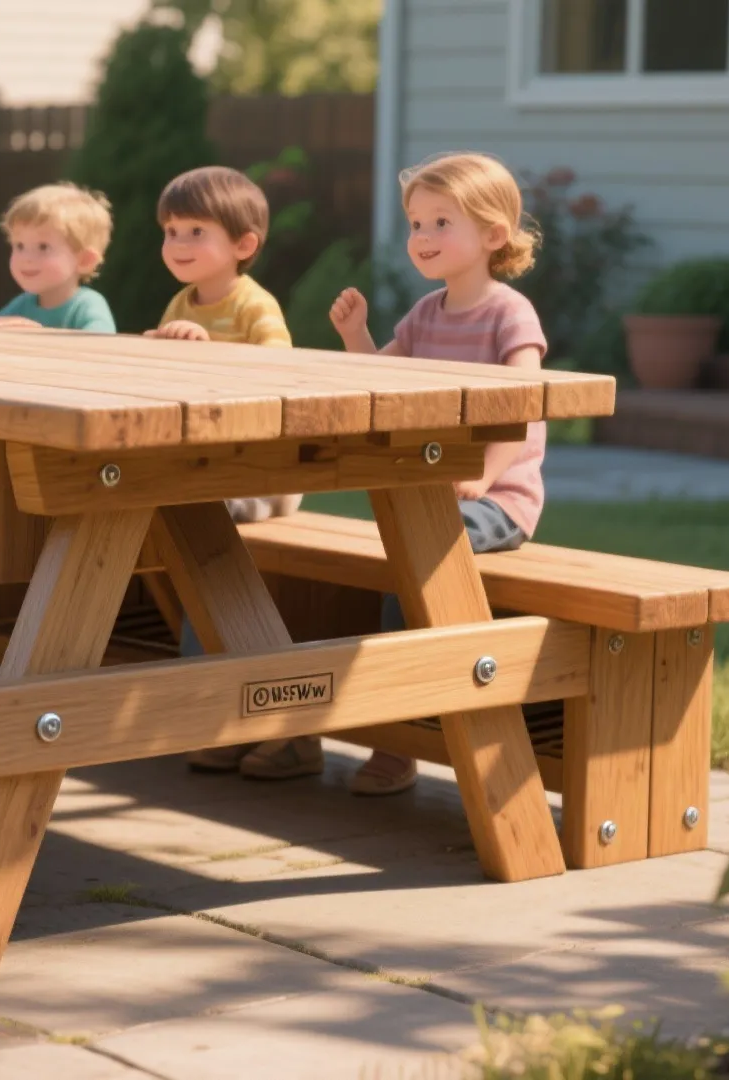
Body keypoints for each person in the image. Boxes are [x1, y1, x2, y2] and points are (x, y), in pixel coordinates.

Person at [328, 150, 549, 797]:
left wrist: (482, 476)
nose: (421, 238)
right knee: (396, 556)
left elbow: (525, 409)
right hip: (437, 498)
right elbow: (382, 379)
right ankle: (398, 726)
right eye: (416, 224)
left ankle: (402, 735)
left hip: (500, 501)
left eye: (439, 223)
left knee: (413, 557)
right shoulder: (425, 317)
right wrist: (356, 334)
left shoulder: (509, 316)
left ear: (492, 235)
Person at [145, 165, 319, 782]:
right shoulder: (179, 302)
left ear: (243, 246)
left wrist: (208, 350)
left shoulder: (253, 304)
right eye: (171, 231)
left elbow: (279, 367)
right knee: (174, 532)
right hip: (212, 469)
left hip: (261, 472)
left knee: (195, 533)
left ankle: (229, 710)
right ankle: (216, 713)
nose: (179, 245)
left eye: (196, 231)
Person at [0, 182, 116, 332]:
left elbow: (101, 342)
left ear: (84, 260)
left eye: (43, 247)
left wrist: (41, 336)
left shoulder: (87, 305)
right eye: (19, 246)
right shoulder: (24, 303)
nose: (26, 258)